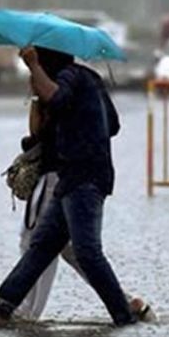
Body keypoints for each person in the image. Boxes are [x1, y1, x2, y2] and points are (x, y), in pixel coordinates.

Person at [0, 46, 141, 327]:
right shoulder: (87, 80)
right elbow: (111, 125)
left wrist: (34, 67)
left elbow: (58, 98)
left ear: (48, 59)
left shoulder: (72, 76)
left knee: (87, 252)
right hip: (71, 177)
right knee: (42, 245)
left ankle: (124, 315)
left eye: (39, 59)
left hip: (85, 178)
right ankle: (2, 307)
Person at [15, 87, 155, 322]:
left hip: (58, 176)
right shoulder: (81, 86)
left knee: (37, 241)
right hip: (72, 175)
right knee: (68, 248)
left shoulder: (57, 88)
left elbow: (39, 132)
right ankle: (126, 301)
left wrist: (37, 98)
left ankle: (26, 310)